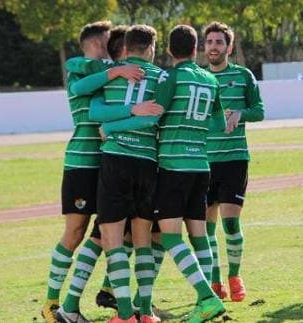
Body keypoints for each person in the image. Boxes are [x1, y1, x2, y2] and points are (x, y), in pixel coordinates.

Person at [40, 21, 145, 323]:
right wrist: (114, 71)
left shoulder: (107, 72)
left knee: (118, 230)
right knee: (75, 233)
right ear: (99, 44)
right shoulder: (81, 69)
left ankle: (109, 290)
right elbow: (77, 85)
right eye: (112, 41)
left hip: (108, 163)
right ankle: (51, 302)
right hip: (82, 163)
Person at [92, 24, 165, 323]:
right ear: (151, 48)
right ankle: (145, 313)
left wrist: (111, 127)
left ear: (125, 47)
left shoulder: (110, 74)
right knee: (143, 240)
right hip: (148, 162)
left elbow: (92, 112)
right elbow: (154, 121)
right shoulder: (163, 77)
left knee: (112, 238)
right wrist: (137, 112)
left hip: (116, 160)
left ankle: (124, 315)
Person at [154, 25, 227, 323]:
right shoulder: (210, 79)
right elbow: (220, 123)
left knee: (170, 238)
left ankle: (207, 298)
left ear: (170, 51)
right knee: (200, 237)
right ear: (196, 48)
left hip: (173, 166)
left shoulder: (171, 77)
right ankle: (206, 298)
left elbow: (154, 114)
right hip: (201, 166)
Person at [202, 21, 265, 302]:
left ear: (228, 47)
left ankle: (235, 276)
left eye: (218, 42)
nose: (213, 47)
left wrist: (240, 114)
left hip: (235, 159)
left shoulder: (243, 76)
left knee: (230, 224)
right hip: (202, 161)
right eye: (209, 42)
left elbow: (260, 111)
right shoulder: (198, 78)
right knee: (206, 227)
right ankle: (215, 282)